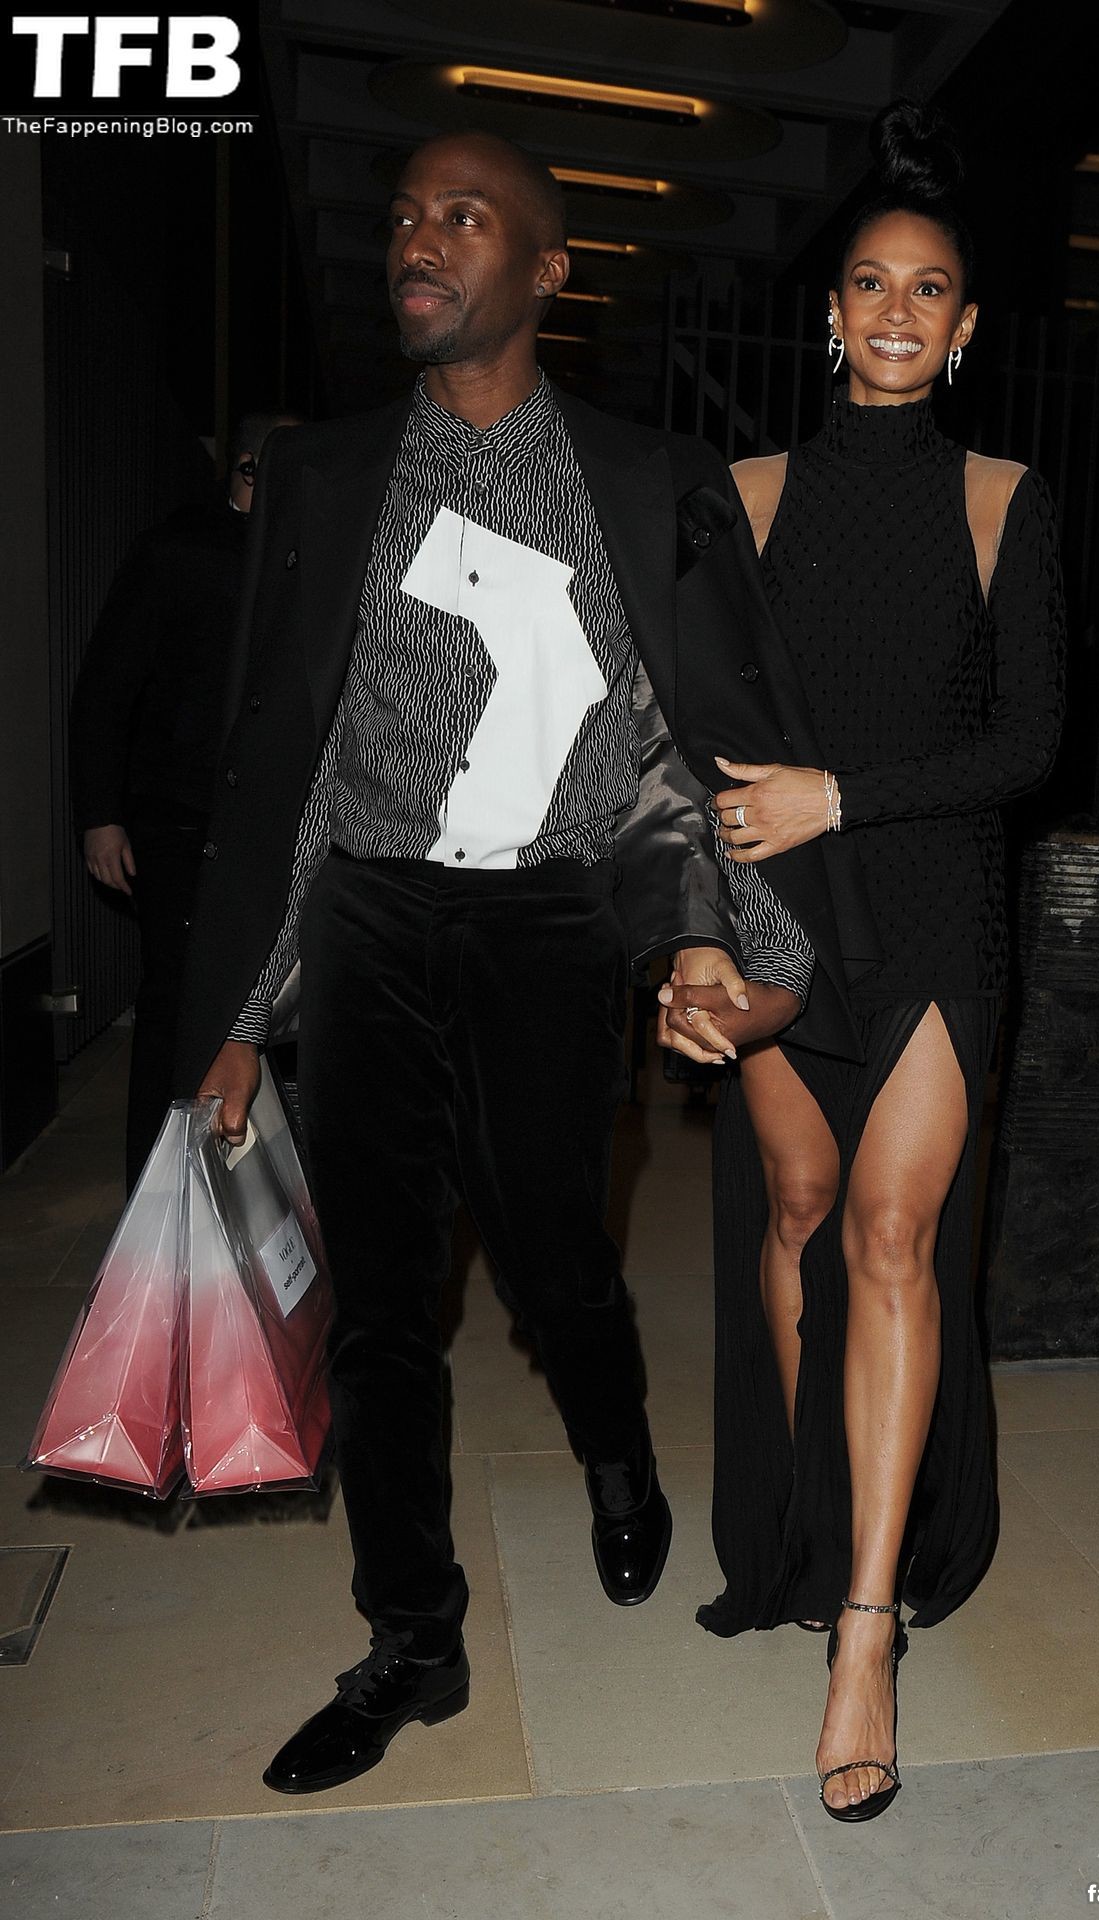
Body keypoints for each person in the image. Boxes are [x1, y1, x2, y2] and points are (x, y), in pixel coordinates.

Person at [175, 130, 879, 1797]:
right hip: (368, 914)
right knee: (380, 1303)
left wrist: (726, 947)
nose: (418, 239)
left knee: (559, 1260)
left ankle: (616, 1455)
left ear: (548, 271)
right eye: (404, 215)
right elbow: (293, 756)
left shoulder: (646, 479)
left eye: (464, 217)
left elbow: (687, 742)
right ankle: (411, 1635)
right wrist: (243, 1013)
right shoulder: (330, 476)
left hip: (552, 922)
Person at [658, 100, 1067, 1822]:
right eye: (870, 285)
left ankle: (865, 1630)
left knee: (895, 1235)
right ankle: (822, 1517)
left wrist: (842, 791)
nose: (898, 311)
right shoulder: (740, 499)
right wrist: (696, 928)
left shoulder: (999, 501)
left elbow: (1029, 744)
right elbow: (684, 747)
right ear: (829, 315)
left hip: (938, 914)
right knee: (801, 1214)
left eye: (929, 290)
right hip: (781, 920)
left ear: (964, 330)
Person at [70, 413, 298, 1187]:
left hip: (274, 823)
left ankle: (250, 1186)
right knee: (176, 1000)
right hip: (176, 816)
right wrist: (99, 816)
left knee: (263, 1008)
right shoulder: (177, 548)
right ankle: (158, 1191)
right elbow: (107, 684)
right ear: (249, 467)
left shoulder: (307, 554)